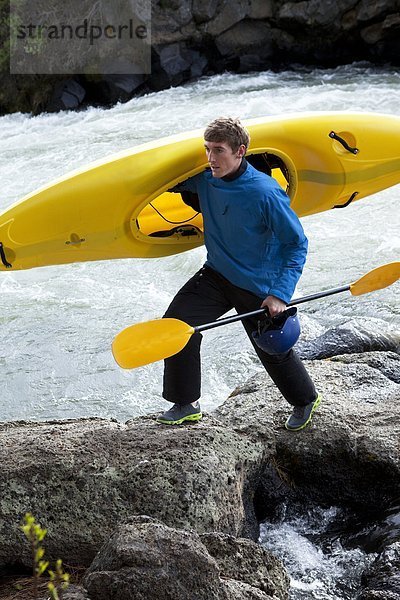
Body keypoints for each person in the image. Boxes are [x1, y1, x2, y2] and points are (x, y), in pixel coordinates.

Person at [157, 117, 320, 431]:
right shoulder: (206, 180)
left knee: (272, 347)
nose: (211, 158)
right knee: (176, 326)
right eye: (207, 149)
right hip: (217, 273)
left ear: (240, 151)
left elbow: (296, 243)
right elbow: (175, 183)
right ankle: (185, 402)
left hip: (257, 284)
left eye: (218, 150)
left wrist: (279, 294)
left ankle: (305, 400)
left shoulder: (265, 194)